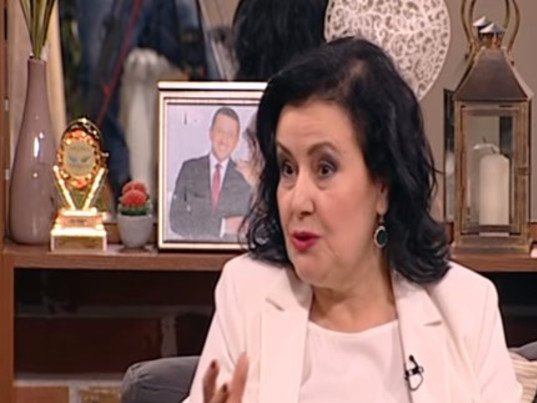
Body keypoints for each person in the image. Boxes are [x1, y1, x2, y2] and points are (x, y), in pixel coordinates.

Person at [183, 38, 521, 402]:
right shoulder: (246, 292)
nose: (297, 201)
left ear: (383, 186)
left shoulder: (467, 306)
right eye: (288, 168)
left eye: (325, 168)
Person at [169, 107, 252, 240]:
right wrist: (222, 226)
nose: (224, 140)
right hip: (195, 251)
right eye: (220, 131)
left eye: (230, 135)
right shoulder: (190, 169)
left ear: (237, 141)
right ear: (210, 132)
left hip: (232, 252)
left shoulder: (246, 177)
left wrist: (257, 183)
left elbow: (258, 226)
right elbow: (176, 221)